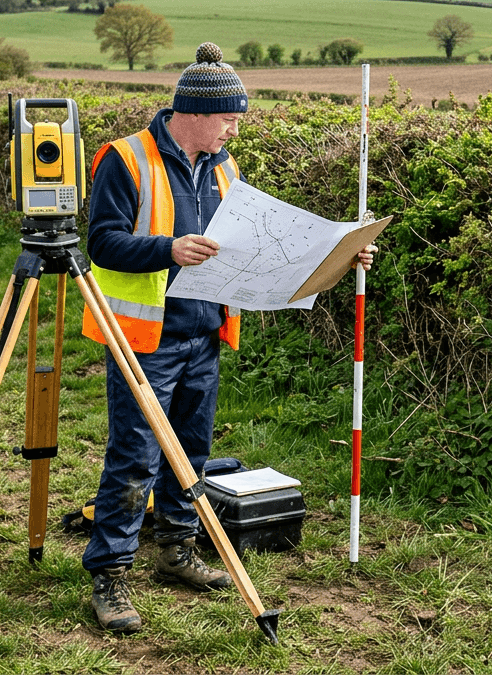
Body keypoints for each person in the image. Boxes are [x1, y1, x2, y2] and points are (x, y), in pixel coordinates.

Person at [80, 42, 378, 631]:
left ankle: (176, 553)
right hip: (144, 339)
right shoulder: (125, 159)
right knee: (135, 457)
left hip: (204, 334)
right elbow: (101, 242)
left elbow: (258, 249)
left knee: (191, 457)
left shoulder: (225, 169)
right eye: (229, 119)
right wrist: (168, 250)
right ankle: (109, 575)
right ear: (193, 112)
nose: (234, 132)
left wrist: (342, 258)